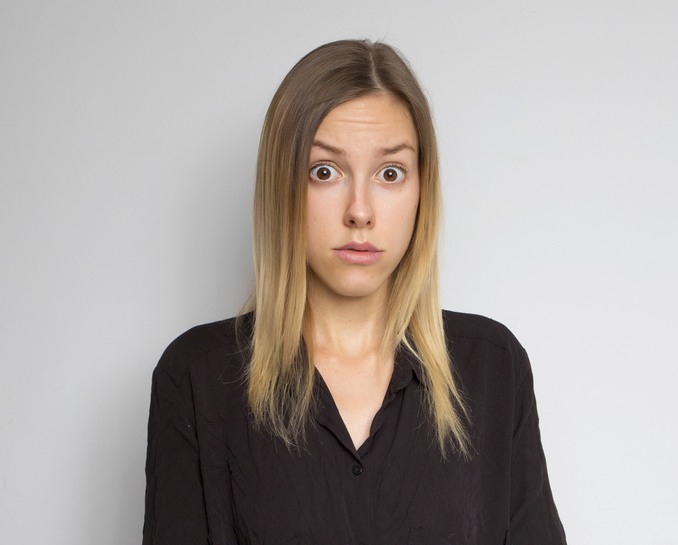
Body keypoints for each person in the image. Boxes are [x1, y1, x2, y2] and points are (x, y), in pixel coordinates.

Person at [143, 39, 566, 545]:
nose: (360, 211)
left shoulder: (492, 367)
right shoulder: (198, 377)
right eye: (325, 172)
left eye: (390, 173)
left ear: (421, 190)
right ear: (281, 186)